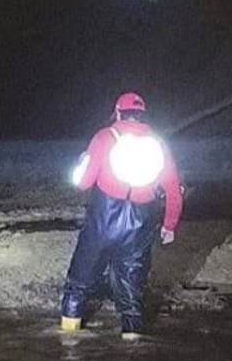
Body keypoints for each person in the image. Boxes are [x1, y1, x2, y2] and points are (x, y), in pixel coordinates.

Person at [61, 92, 183, 339]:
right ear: (142, 115)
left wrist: (82, 163)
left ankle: (68, 339)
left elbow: (83, 183)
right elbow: (174, 191)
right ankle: (132, 343)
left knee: (78, 284)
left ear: (118, 113)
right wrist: (169, 226)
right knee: (131, 292)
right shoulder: (158, 144)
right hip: (139, 224)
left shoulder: (105, 137)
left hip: (104, 221)